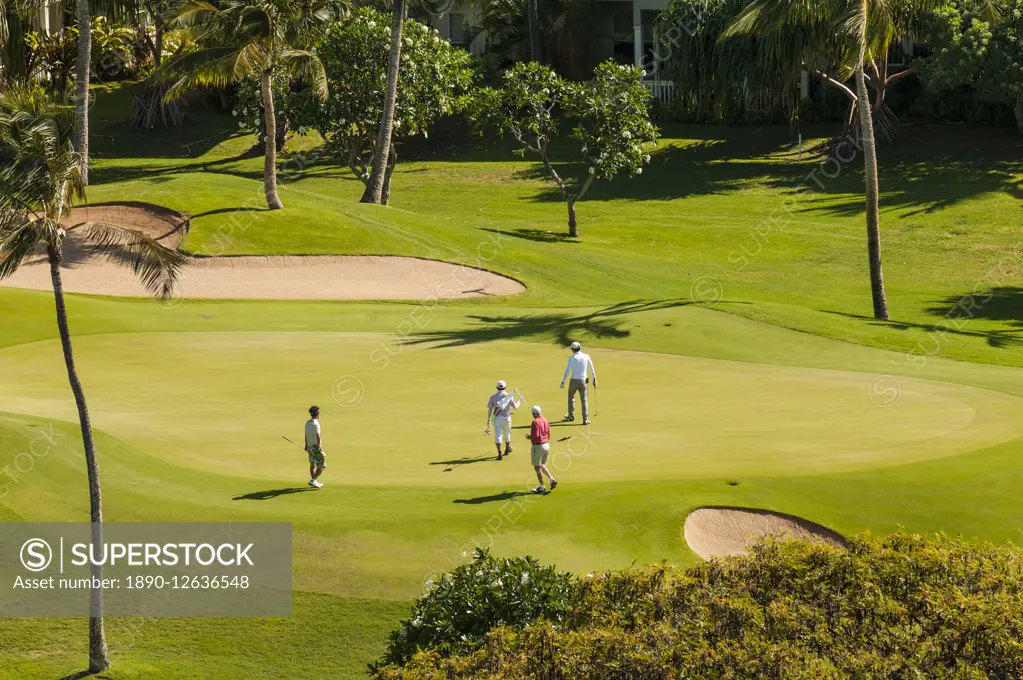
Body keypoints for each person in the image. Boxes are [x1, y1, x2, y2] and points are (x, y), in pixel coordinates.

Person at [560, 341, 597, 424]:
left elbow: (567, 370)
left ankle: (571, 416)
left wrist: (563, 381)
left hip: (574, 381)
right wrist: (594, 379)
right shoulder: (586, 356)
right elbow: (591, 368)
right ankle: (585, 419)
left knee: (571, 397)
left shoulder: (572, 358)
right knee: (584, 400)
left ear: (573, 349)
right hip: (583, 381)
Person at [485, 380, 522, 460]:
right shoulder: (508, 396)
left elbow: (490, 409)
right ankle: (507, 449)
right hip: (507, 418)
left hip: (497, 419)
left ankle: (499, 453)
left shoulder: (493, 397)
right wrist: (520, 400)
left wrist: (489, 419)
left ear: (497, 387)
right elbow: (515, 407)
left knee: (498, 435)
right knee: (507, 434)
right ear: (505, 387)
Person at [525, 405, 557, 493]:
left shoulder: (535, 422)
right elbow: (549, 433)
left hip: (538, 446)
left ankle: (542, 487)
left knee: (537, 467)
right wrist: (546, 441)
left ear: (533, 413)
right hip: (546, 445)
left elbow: (536, 435)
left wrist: (529, 437)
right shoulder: (545, 420)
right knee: (542, 465)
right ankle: (552, 479)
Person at [304, 405, 326, 488]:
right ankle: (313, 480)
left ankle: (314, 481)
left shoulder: (307, 423)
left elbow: (306, 435)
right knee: (322, 464)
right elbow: (318, 436)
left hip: (309, 446)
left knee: (312, 464)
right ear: (317, 413)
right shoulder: (316, 424)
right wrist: (319, 446)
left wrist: (306, 445)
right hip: (315, 447)